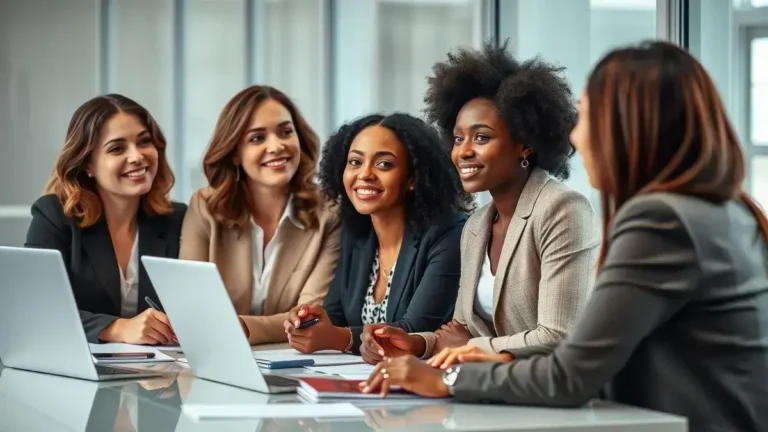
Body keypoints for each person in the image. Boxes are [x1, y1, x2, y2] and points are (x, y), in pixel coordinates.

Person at [360, 41, 768, 432]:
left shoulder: (660, 221)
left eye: (587, 118)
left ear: (628, 127)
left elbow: (570, 373)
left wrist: (449, 379)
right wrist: (434, 347)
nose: (575, 136)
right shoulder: (723, 209)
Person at [361, 41, 600, 362]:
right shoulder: (477, 224)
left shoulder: (563, 210)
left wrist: (471, 347)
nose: (463, 151)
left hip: (549, 386)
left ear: (525, 144)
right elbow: (460, 330)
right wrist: (414, 343)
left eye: (482, 137)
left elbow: (558, 335)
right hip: (492, 381)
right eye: (458, 138)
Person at [284, 113, 473, 356]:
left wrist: (338, 338)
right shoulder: (357, 232)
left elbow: (414, 331)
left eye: (384, 164)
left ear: (413, 178)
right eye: (355, 162)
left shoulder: (449, 233)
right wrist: (308, 320)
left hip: (424, 373)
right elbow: (336, 315)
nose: (364, 174)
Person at [179, 85, 340, 345]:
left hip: (294, 359)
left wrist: (241, 327)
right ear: (234, 153)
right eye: (257, 138)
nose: (276, 146)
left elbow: (309, 317)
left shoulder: (329, 215)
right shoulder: (205, 207)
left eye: (286, 132)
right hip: (215, 353)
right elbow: (192, 307)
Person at [26, 94, 187, 344]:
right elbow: (34, 307)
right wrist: (116, 328)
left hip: (158, 366)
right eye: (117, 148)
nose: (137, 156)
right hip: (77, 363)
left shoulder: (176, 219)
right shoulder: (55, 215)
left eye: (144, 142)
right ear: (88, 164)